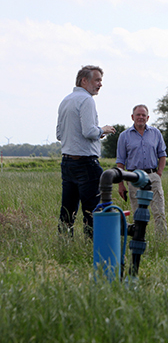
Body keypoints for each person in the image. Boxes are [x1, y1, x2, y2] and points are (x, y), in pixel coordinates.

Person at [56, 65, 115, 238]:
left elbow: (59, 134)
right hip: (86, 163)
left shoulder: (65, 100)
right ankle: (93, 244)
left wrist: (95, 134)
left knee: (68, 209)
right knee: (93, 209)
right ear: (84, 81)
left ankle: (65, 242)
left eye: (100, 81)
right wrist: (102, 129)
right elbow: (89, 131)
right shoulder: (87, 100)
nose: (100, 84)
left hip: (67, 162)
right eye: (97, 80)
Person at [116, 104, 168, 239]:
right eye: (138, 115)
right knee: (138, 213)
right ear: (132, 117)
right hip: (133, 177)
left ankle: (161, 241)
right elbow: (120, 162)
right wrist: (121, 184)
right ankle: (140, 239)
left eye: (143, 115)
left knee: (159, 212)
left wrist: (159, 173)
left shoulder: (155, 133)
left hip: (152, 175)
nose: (140, 117)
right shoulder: (124, 136)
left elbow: (162, 154)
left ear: (148, 117)